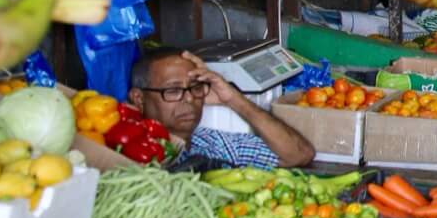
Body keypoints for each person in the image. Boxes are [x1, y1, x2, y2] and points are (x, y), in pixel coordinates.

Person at [128, 48, 316, 171]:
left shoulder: (216, 143)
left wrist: (233, 99)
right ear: (139, 99)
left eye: (196, 87)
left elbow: (300, 154)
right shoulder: (130, 154)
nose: (189, 98)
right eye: (173, 90)